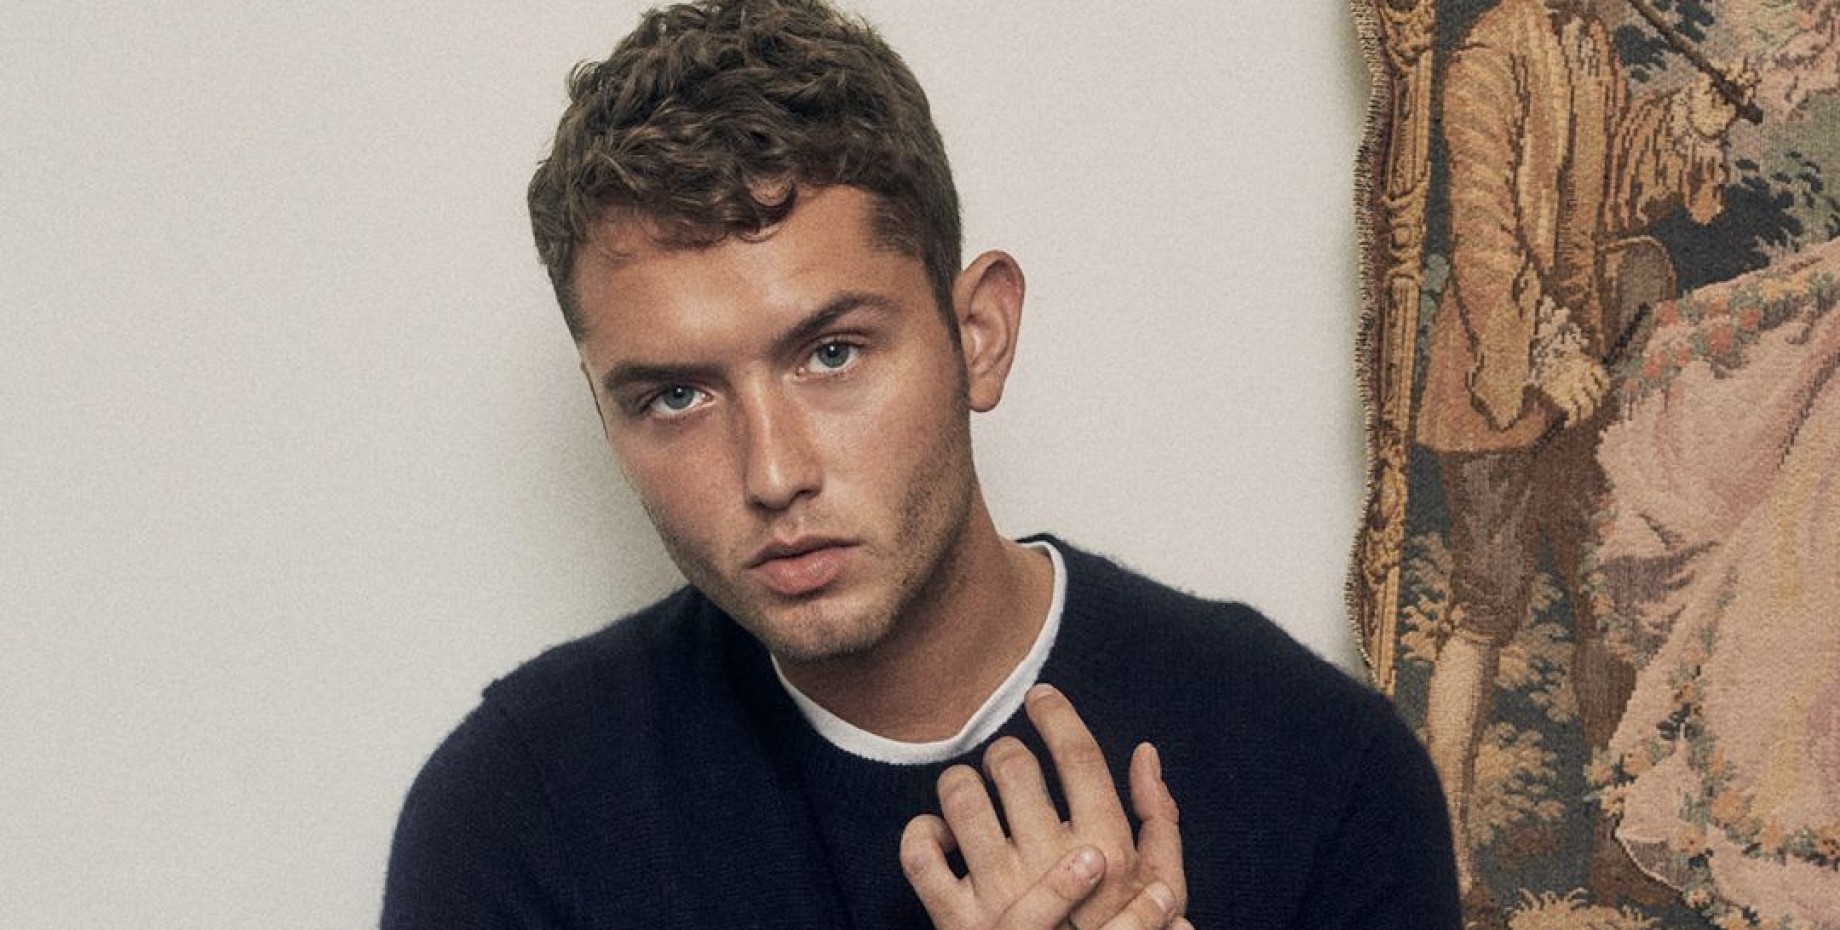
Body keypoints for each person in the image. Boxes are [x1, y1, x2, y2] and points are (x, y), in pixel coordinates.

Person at [382, 1, 1460, 927]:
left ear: (978, 336)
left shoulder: (1316, 767)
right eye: (675, 396)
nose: (772, 474)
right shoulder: (516, 818)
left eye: (831, 354)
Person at [1414, 0, 1747, 917]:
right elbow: (1482, 234)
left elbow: (1623, 191)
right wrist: (1547, 352)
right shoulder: (1487, 57)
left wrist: (1688, 126)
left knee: (1608, 605)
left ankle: (1616, 844)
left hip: (1590, 379)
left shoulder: (1591, 47)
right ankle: (1445, 856)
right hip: (1496, 385)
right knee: (1485, 608)